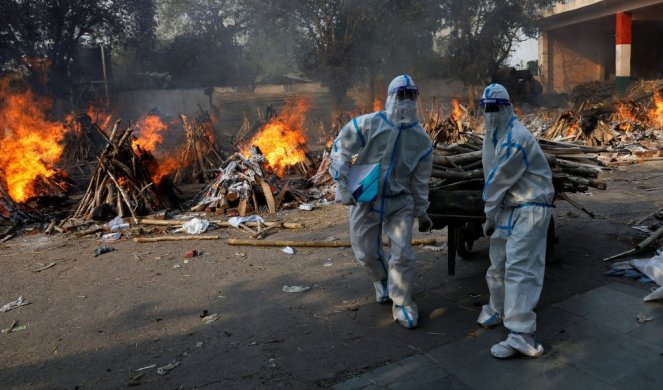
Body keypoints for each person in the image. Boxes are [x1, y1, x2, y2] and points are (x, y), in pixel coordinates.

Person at [329, 74, 433, 329]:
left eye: (410, 97)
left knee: (403, 253)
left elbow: (420, 180)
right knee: (364, 253)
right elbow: (341, 147)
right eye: (401, 96)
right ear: (390, 97)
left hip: (400, 200)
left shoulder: (421, 140)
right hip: (366, 193)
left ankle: (403, 302)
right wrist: (342, 184)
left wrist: (422, 211)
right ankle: (382, 279)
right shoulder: (368, 124)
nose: (405, 102)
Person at [477, 83, 555, 358]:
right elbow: (491, 174)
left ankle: (522, 334)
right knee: (498, 260)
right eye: (486, 108)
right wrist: (495, 213)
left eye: (495, 108)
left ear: (508, 107)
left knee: (521, 266)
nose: (490, 114)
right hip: (510, 207)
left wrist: (488, 213)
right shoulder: (494, 134)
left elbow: (498, 181)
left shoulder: (516, 138)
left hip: (531, 206)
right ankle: (498, 308)